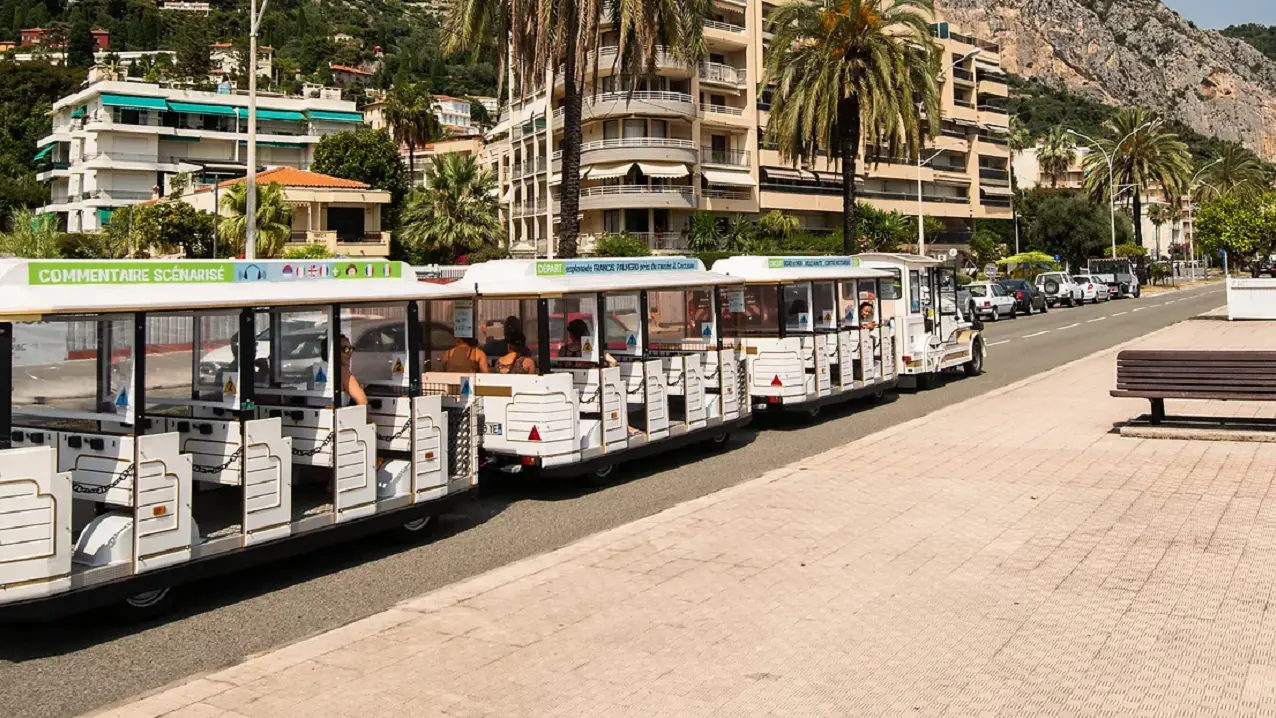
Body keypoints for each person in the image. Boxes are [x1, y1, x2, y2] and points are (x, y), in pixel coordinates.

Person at [338, 334, 367, 406]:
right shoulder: (342, 371)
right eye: (345, 349)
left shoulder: (315, 369)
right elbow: (362, 401)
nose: (350, 353)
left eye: (351, 349)